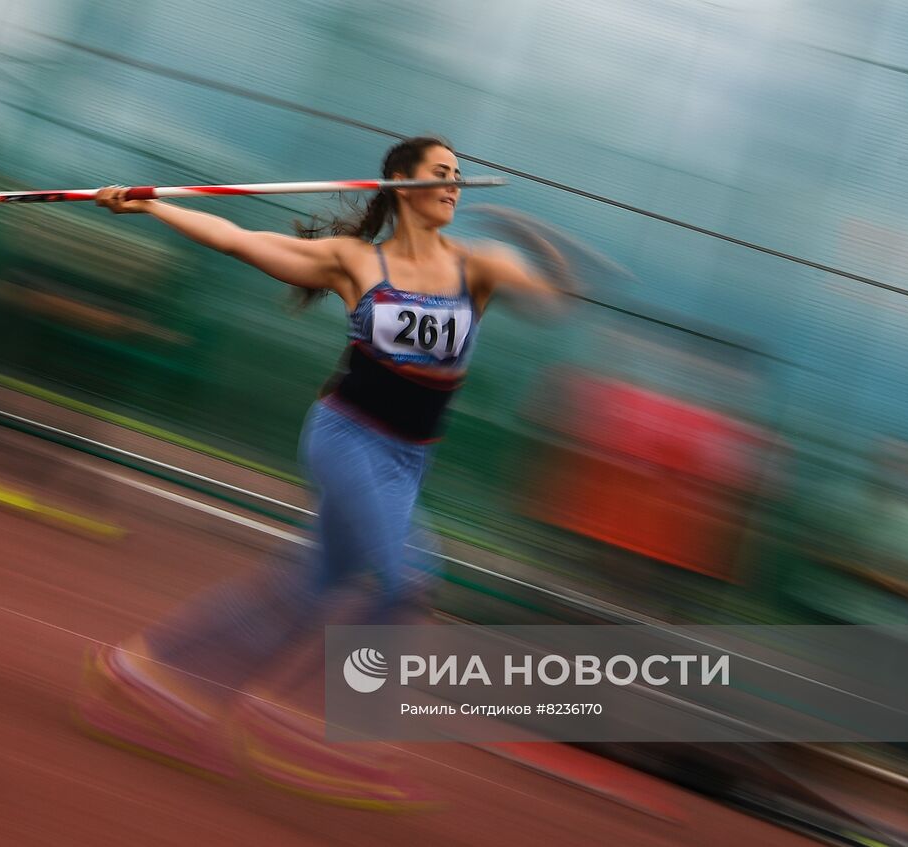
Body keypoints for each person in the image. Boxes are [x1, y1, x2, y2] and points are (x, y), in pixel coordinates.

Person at [73, 136, 579, 808]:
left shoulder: (478, 267)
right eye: (440, 174)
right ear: (400, 183)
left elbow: (550, 300)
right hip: (347, 438)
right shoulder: (353, 260)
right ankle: (306, 724)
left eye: (459, 177)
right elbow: (233, 237)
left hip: (408, 458)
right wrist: (150, 206)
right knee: (408, 581)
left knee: (311, 584)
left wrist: (534, 243)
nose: (455, 185)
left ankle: (144, 670)